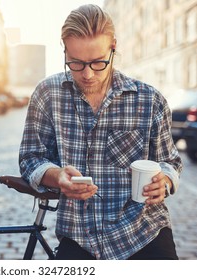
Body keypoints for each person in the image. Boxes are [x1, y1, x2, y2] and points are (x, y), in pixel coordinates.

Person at [18, 4, 183, 260]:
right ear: (64, 50)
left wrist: (166, 180)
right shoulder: (47, 94)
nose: (87, 74)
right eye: (75, 63)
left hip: (143, 233)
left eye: (98, 62)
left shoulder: (149, 99)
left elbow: (170, 161)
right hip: (79, 235)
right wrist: (57, 176)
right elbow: (30, 159)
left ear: (113, 47)